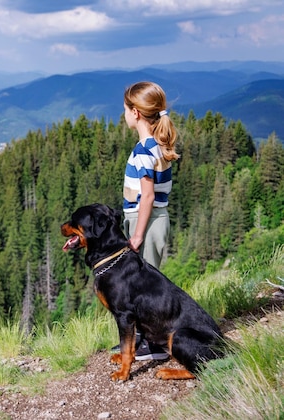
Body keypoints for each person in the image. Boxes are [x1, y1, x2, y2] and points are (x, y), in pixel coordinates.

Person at [119, 81, 180, 360]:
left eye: (125, 108)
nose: (123, 114)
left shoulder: (144, 150)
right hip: (154, 219)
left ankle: (154, 344)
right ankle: (143, 340)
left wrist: (138, 234)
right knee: (143, 282)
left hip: (146, 220)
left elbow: (147, 196)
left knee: (145, 285)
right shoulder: (157, 145)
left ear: (136, 113)